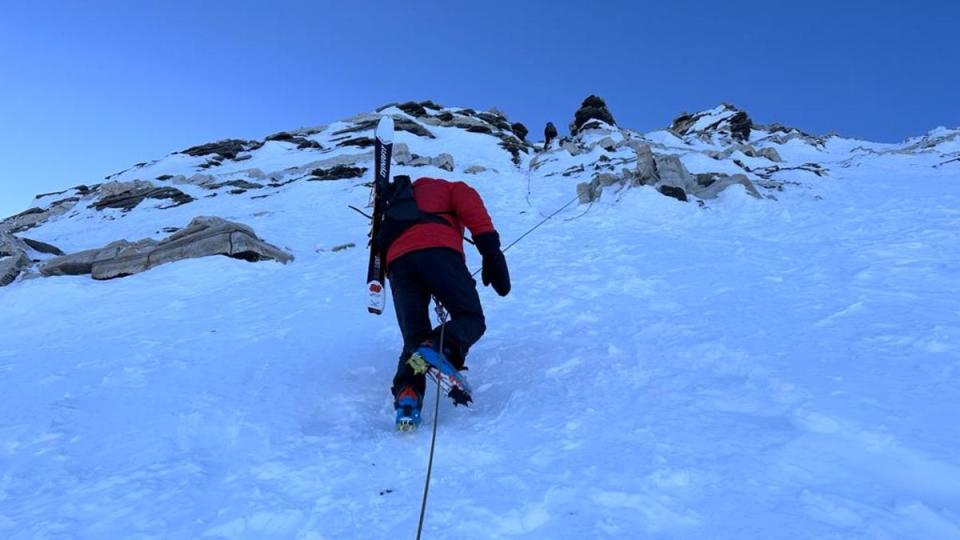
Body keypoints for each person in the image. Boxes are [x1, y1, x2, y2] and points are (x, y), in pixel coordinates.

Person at [384, 176, 511, 429]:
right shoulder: (449, 187)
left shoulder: (393, 205)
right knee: (470, 318)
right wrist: (490, 251)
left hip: (397, 264)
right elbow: (470, 205)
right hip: (438, 249)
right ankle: (441, 349)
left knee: (414, 340)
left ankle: (408, 396)